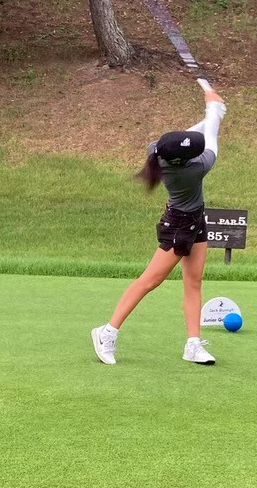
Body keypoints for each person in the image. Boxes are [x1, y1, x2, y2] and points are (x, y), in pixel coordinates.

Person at [91, 86, 226, 366]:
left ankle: (193, 345)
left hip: (195, 219)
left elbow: (187, 137)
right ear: (184, 160)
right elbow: (210, 137)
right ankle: (107, 332)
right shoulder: (197, 168)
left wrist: (211, 114)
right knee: (150, 280)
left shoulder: (157, 152)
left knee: (194, 281)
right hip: (178, 225)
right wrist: (213, 110)